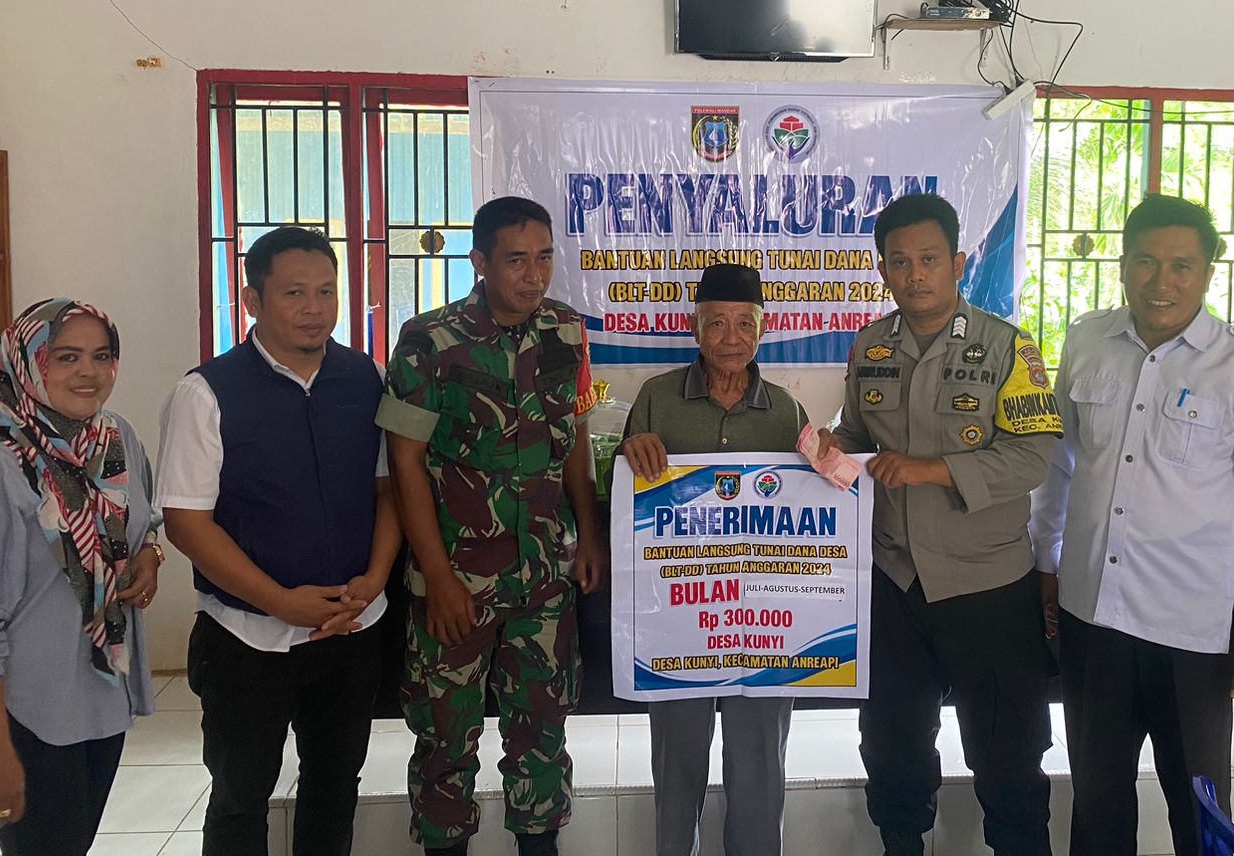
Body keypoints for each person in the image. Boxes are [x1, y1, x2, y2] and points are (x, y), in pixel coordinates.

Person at [1031, 194, 1234, 856]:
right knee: (1097, 803)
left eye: (1182, 265)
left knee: (1199, 806)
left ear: (1207, 272)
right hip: (1092, 617)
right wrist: (1045, 558)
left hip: (1189, 630)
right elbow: (1059, 463)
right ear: (1124, 264)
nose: (1162, 281)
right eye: (1145, 262)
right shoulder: (1087, 341)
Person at [814, 192, 1062, 856]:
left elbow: (1033, 456)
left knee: (1008, 750)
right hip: (895, 581)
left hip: (987, 583)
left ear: (958, 263)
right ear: (883, 270)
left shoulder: (1008, 348)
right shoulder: (871, 346)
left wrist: (934, 469)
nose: (915, 274)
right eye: (899, 262)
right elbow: (857, 434)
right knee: (892, 744)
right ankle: (902, 843)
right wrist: (831, 447)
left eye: (928, 259)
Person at [158, 226, 401, 856]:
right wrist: (280, 602)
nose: (314, 308)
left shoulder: (366, 377)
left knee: (334, 786)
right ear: (252, 300)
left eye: (326, 291)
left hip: (352, 627)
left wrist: (375, 580)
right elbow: (187, 522)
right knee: (240, 796)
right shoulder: (205, 392)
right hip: (247, 637)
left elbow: (388, 491)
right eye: (294, 293)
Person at [379, 195, 604, 856]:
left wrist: (589, 533)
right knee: (445, 739)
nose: (534, 275)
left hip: (545, 576)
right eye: (516, 260)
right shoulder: (429, 341)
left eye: (544, 258)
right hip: (458, 578)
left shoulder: (567, 331)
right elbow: (404, 462)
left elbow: (576, 436)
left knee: (543, 733)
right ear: (480, 262)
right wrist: (439, 577)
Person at [0, 299, 163, 855]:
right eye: (66, 357)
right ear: (26, 362)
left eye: (102, 356)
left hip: (101, 697)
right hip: (23, 713)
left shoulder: (113, 439)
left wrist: (150, 556)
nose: (89, 372)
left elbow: (140, 525)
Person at [617, 263, 810, 856]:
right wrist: (630, 451)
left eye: (745, 324)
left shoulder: (786, 411)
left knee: (760, 769)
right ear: (695, 328)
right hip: (679, 620)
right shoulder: (657, 399)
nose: (732, 338)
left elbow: (821, 501)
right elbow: (628, 500)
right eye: (717, 323)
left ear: (763, 329)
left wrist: (831, 460)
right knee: (677, 766)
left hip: (762, 625)